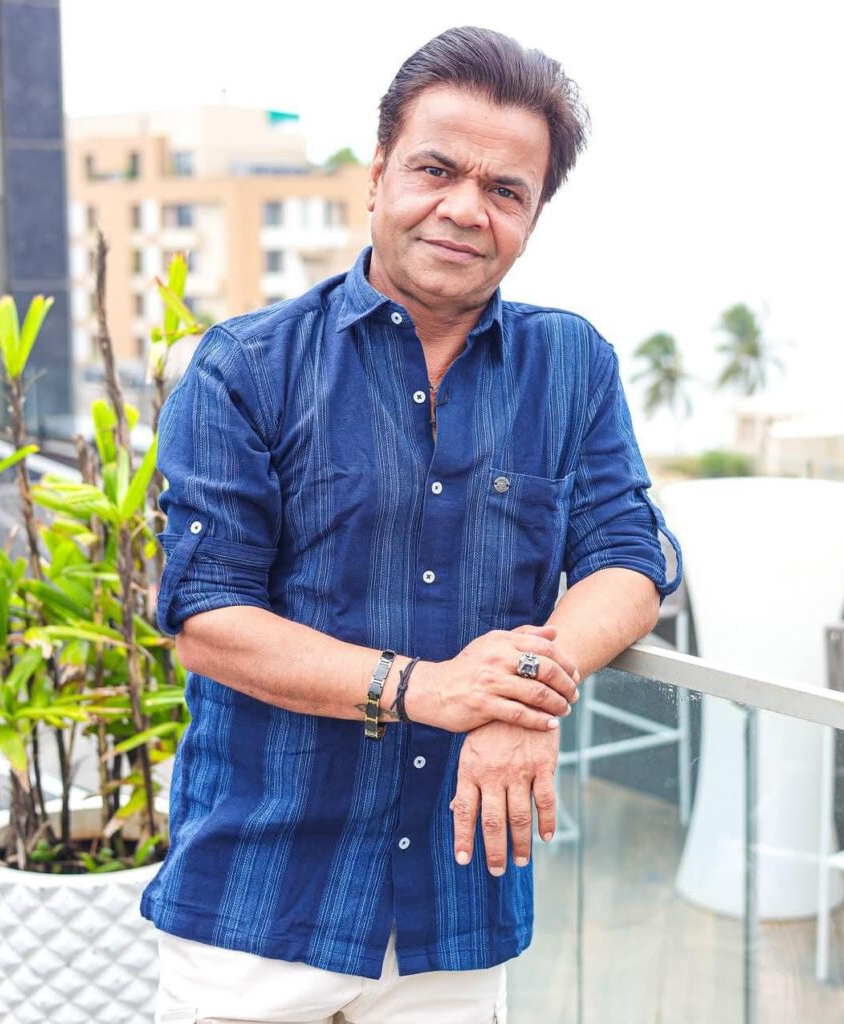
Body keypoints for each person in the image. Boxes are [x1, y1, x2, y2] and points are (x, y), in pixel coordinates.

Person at [141, 24, 682, 1024]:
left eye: (505, 190)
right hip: (255, 903)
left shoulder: (573, 366)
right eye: (437, 170)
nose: (465, 208)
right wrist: (430, 690)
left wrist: (518, 694)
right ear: (378, 173)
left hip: (457, 904)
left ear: (532, 217)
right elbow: (208, 619)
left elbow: (628, 559)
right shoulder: (245, 367)